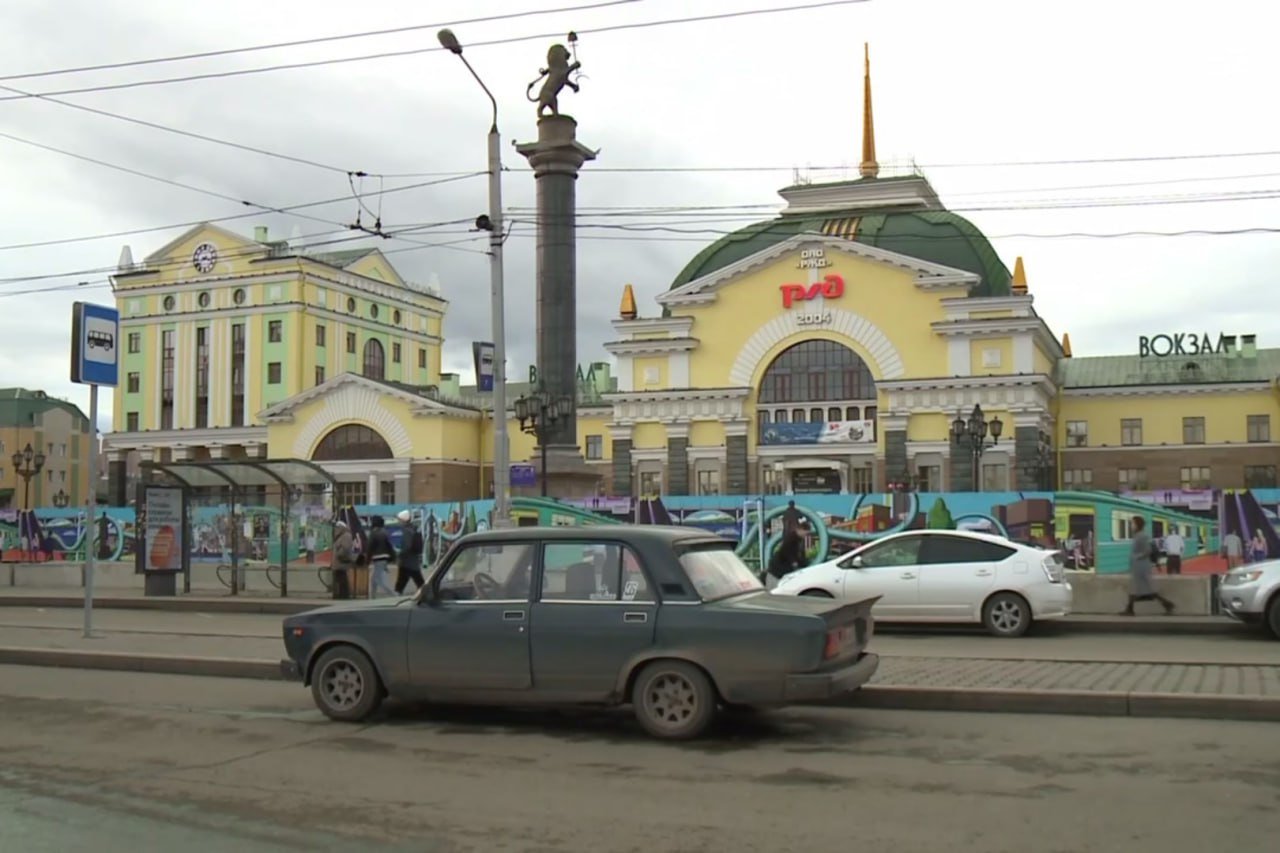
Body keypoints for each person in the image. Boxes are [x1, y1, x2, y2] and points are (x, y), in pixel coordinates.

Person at [1121, 516, 1175, 615]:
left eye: (1132, 523)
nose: (1131, 525)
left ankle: (1167, 604)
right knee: (1139, 589)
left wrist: (1137, 557)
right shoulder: (1138, 536)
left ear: (1138, 524)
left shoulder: (1142, 536)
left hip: (1141, 567)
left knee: (1141, 589)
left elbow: (1148, 550)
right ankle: (1130, 609)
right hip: (1138, 567)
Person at [394, 510, 426, 594]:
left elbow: (406, 546)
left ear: (403, 520)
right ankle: (426, 592)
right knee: (416, 580)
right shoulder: (413, 529)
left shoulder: (406, 531)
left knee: (404, 581)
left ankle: (427, 593)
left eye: (399, 520)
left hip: (407, 561)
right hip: (412, 560)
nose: (398, 522)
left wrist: (399, 553)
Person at [365, 515, 398, 599]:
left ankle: (394, 595)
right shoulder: (385, 532)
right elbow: (390, 546)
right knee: (373, 579)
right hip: (385, 558)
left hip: (377, 558)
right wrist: (393, 557)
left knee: (379, 580)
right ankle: (372, 597)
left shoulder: (374, 533)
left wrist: (367, 560)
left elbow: (370, 547)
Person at [331, 520, 355, 600]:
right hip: (339, 563)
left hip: (342, 563)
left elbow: (345, 549)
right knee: (340, 580)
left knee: (342, 580)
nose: (335, 529)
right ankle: (341, 595)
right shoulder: (342, 536)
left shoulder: (346, 536)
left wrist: (338, 555)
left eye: (337, 527)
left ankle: (343, 596)